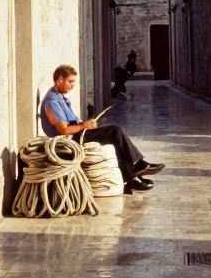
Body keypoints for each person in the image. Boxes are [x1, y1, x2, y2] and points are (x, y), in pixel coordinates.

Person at [41, 64, 163, 192]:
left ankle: (131, 177)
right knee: (114, 132)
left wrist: (86, 124)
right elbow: (63, 130)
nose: (72, 86)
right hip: (69, 141)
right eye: (70, 82)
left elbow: (71, 124)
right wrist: (83, 126)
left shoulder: (59, 97)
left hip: (76, 134)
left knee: (115, 139)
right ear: (60, 80)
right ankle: (137, 167)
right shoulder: (52, 101)